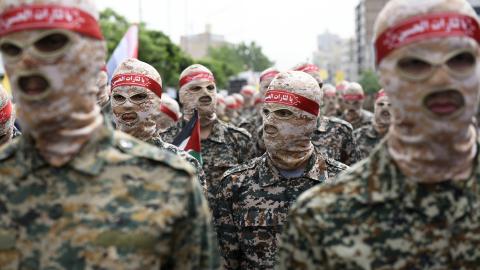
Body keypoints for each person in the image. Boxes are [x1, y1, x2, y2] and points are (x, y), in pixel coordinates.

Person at [0, 1, 217, 268]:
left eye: (51, 44)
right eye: (12, 49)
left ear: (94, 55)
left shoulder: (170, 183)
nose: (28, 64)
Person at [277, 0, 480, 269]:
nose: (442, 81)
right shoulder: (323, 218)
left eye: (460, 59)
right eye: (415, 64)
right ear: (384, 77)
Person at [212, 71, 348, 270]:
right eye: (266, 112)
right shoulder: (235, 184)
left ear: (310, 120)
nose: (269, 123)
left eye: (283, 113)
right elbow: (225, 262)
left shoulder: (343, 183)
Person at [111, 58, 207, 188]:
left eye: (138, 97)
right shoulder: (91, 158)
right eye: (119, 97)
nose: (127, 105)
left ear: (157, 103)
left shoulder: (183, 164)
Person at [162, 64, 253, 198]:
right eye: (196, 88)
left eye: (210, 88)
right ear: (181, 96)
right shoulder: (164, 140)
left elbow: (249, 192)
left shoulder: (239, 139)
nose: (205, 93)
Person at [239, 67, 280, 157]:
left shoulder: (299, 121)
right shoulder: (247, 127)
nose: (271, 90)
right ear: (260, 93)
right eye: (266, 87)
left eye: (277, 85)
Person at [354, 89, 392, 159]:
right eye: (381, 104)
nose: (385, 107)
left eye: (390, 104)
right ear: (374, 106)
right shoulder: (357, 136)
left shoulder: (404, 139)